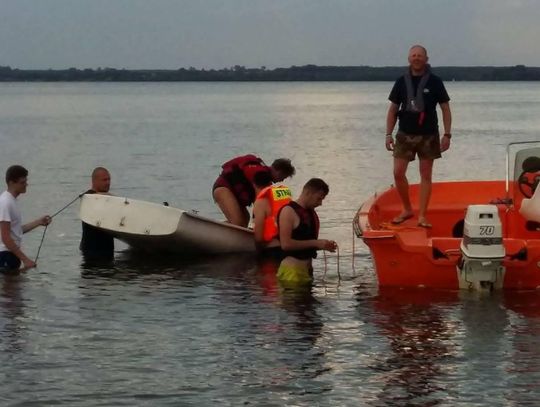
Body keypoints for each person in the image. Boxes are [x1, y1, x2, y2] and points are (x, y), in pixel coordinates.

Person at [385, 44, 452, 228]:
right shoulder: (400, 82)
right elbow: (392, 110)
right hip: (404, 134)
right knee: (398, 173)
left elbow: (445, 108)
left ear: (426, 59)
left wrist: (447, 135)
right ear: (409, 59)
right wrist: (388, 134)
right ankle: (407, 209)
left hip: (428, 135)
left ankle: (422, 215)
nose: (416, 58)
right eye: (413, 55)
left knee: (426, 175)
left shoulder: (435, 82)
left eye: (420, 55)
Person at [277, 178, 337, 286]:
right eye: (319, 199)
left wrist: (324, 245)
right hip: (292, 272)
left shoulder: (310, 213)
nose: (320, 203)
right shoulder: (288, 211)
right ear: (308, 193)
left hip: (307, 271)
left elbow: (305, 242)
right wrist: (316, 243)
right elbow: (286, 244)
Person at [213, 154, 295, 227]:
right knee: (237, 223)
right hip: (223, 188)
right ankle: (211, 231)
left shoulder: (266, 181)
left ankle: (215, 229)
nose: (282, 180)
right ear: (279, 172)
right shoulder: (261, 175)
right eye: (283, 177)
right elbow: (259, 204)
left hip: (233, 193)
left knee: (244, 221)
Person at [0, 165, 51, 272]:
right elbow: (6, 238)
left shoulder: (12, 201)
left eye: (25, 181)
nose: (26, 185)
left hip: (11, 255)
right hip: (5, 255)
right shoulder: (5, 202)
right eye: (22, 182)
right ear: (11, 183)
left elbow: (16, 231)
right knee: (10, 287)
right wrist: (26, 260)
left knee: (16, 287)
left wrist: (39, 222)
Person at [252, 170, 292, 259]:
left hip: (272, 250)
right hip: (290, 247)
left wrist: (257, 253)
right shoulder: (283, 196)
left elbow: (258, 238)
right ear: (270, 183)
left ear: (254, 184)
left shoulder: (260, 202)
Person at [80, 167, 114, 259]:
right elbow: (88, 196)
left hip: (107, 249)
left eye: (109, 179)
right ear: (94, 181)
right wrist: (111, 197)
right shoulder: (88, 196)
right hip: (91, 250)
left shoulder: (109, 199)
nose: (108, 183)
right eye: (104, 180)